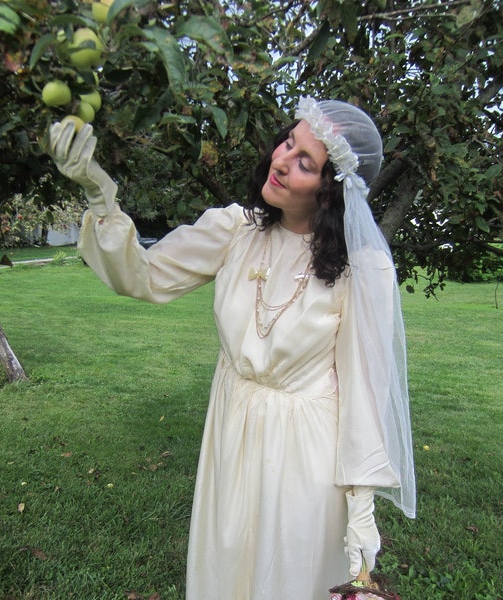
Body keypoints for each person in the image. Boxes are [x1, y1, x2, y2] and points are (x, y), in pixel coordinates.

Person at [48, 96, 416, 600]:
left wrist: (361, 510)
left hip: (304, 459)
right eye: (288, 142)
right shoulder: (236, 229)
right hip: (231, 430)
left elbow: (365, 393)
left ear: (330, 192)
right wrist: (98, 193)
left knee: (285, 579)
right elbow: (146, 274)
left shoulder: (362, 269)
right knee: (224, 573)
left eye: (306, 162)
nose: (282, 160)